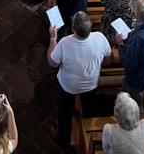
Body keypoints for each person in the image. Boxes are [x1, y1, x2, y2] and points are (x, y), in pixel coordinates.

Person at [47, 11, 111, 152]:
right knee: (90, 110)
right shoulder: (100, 38)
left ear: (73, 28)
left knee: (64, 113)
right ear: (91, 26)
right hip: (91, 85)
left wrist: (53, 39)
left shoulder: (64, 42)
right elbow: (107, 61)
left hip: (68, 87)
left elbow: (52, 62)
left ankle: (64, 139)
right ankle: (91, 132)